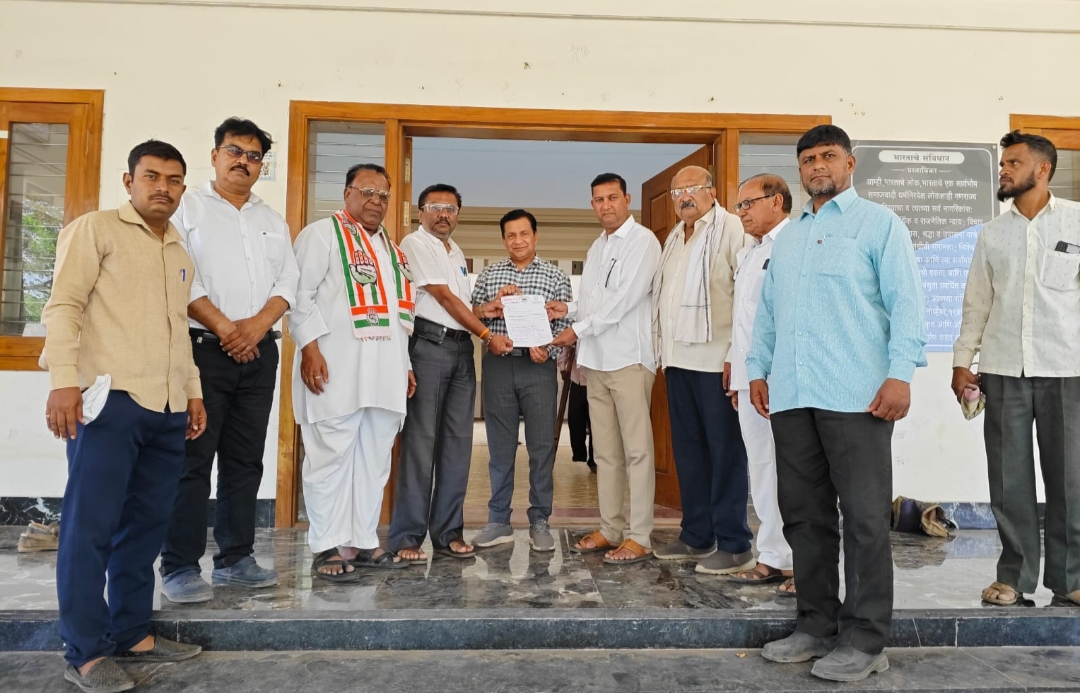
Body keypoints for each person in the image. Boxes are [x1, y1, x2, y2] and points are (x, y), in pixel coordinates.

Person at [747, 124, 926, 682]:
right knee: (805, 517)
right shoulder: (789, 237)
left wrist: (900, 376)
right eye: (807, 159)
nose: (817, 166)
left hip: (857, 397)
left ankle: (866, 640)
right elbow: (769, 311)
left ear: (850, 163)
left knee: (866, 520)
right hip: (792, 394)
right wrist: (757, 368)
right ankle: (816, 626)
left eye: (828, 155)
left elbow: (907, 304)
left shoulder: (879, 224)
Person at [41, 140, 207, 693]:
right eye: (152, 176)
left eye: (174, 180)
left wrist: (193, 392)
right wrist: (63, 381)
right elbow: (63, 306)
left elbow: (178, 330)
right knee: (90, 528)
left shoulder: (179, 250)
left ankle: (133, 632)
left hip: (167, 407)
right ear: (128, 181)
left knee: (147, 525)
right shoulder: (95, 230)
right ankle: (85, 652)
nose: (163, 187)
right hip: (109, 402)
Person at [161, 117, 299, 602]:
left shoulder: (271, 219)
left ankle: (236, 559)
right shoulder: (187, 208)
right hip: (202, 351)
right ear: (215, 155)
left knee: (245, 460)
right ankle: (179, 566)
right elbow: (180, 277)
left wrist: (256, 327)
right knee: (192, 460)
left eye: (254, 155)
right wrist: (226, 329)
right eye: (235, 151)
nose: (244, 161)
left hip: (259, 353)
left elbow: (288, 281)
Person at [953, 131, 1080, 608]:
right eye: (1003, 163)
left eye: (1013, 163)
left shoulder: (1076, 221)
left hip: (1067, 368)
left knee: (1070, 479)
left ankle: (1070, 578)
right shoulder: (993, 233)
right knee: (1008, 478)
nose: (1003, 170)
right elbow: (976, 303)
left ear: (1042, 169)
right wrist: (962, 362)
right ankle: (1014, 576)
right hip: (1003, 368)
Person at [290, 162, 415, 579]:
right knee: (330, 457)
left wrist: (405, 365)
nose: (375, 201)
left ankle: (360, 540)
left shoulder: (392, 251)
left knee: (374, 460)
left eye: (383, 195)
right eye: (367, 192)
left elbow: (399, 316)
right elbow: (299, 297)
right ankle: (326, 545)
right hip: (336, 368)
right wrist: (309, 348)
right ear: (347, 194)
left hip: (385, 375)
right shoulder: (321, 235)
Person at [389, 184, 514, 562]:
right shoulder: (414, 243)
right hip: (429, 348)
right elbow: (442, 298)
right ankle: (407, 537)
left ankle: (447, 533)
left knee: (458, 446)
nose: (444, 214)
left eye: (451, 208)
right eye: (436, 207)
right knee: (420, 444)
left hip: (460, 350)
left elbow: (457, 306)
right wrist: (486, 334)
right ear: (421, 212)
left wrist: (486, 310)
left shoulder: (455, 251)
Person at [547, 173, 662, 564]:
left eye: (612, 197)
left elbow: (625, 300)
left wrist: (576, 330)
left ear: (627, 199)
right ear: (592, 204)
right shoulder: (597, 246)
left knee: (637, 451)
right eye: (598, 199)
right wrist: (569, 310)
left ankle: (640, 535)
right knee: (607, 454)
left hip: (629, 359)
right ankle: (611, 528)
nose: (605, 205)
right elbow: (596, 301)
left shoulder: (643, 241)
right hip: (595, 361)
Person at [649, 166, 754, 576]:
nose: (685, 197)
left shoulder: (731, 229)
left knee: (726, 453)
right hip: (677, 361)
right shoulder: (675, 237)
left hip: (716, 364)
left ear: (711, 191)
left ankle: (734, 543)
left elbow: (746, 296)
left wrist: (735, 356)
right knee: (689, 453)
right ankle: (696, 534)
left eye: (693, 188)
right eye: (678, 192)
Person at [470, 209, 572, 552]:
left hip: (538, 369)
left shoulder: (556, 276)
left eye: (524, 233)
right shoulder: (489, 275)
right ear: (503, 240)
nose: (518, 241)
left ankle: (540, 520)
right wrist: (491, 311)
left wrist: (549, 348)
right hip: (498, 366)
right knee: (500, 448)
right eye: (511, 235)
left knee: (541, 447)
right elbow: (472, 316)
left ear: (535, 236)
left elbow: (563, 322)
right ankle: (498, 520)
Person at [727, 173, 795, 596]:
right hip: (748, 377)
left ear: (777, 201)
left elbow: (787, 319)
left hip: (779, 378)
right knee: (762, 466)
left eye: (748, 203)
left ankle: (801, 560)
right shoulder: (749, 252)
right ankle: (772, 555)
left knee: (794, 471)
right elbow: (745, 319)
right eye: (739, 206)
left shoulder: (794, 244)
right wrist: (734, 366)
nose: (742, 212)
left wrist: (765, 373)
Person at [559, 347, 595, 471]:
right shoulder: (575, 334)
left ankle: (594, 461)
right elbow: (566, 348)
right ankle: (579, 454)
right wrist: (562, 367)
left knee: (595, 423)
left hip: (595, 382)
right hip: (577, 380)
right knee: (575, 418)